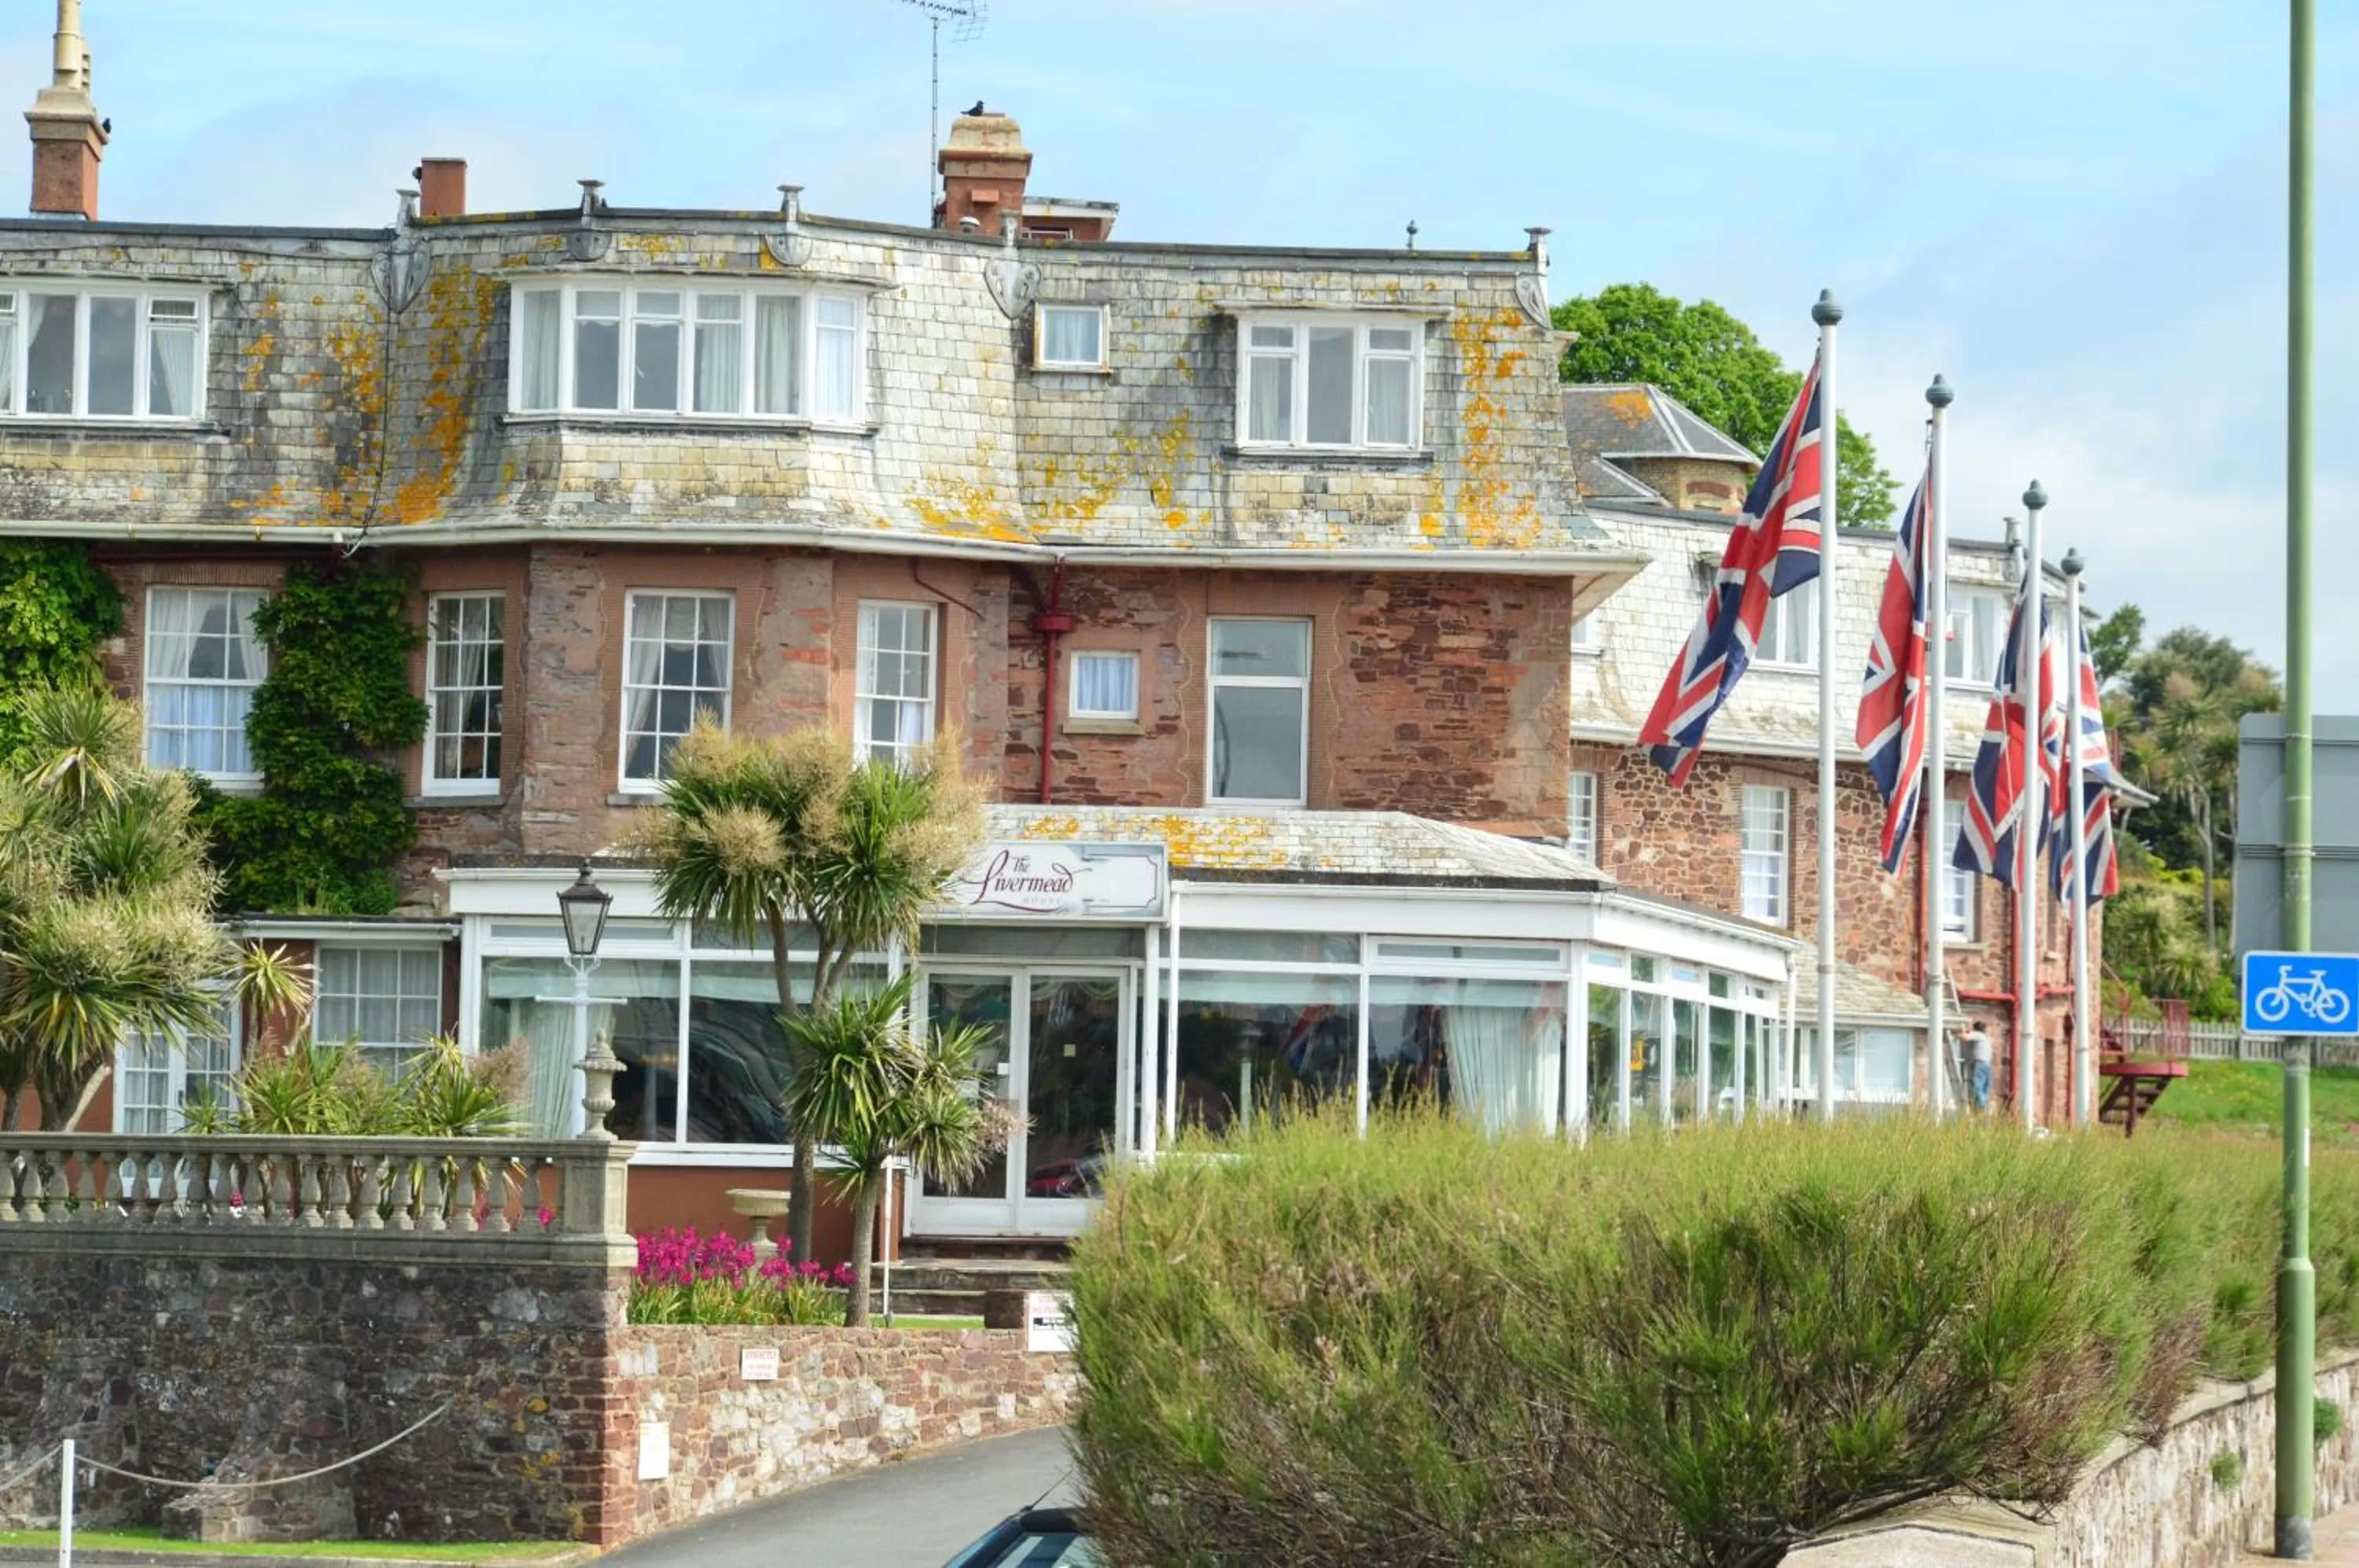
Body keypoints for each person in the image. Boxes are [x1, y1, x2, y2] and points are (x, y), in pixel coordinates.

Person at [1958, 1020, 1995, 1113]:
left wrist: (1963, 1032)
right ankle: (1984, 1109)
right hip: (1988, 1065)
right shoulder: (1986, 1038)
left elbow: (1964, 1038)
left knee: (1978, 1087)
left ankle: (1981, 1109)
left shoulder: (1977, 1035)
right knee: (1984, 1089)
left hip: (1980, 1064)